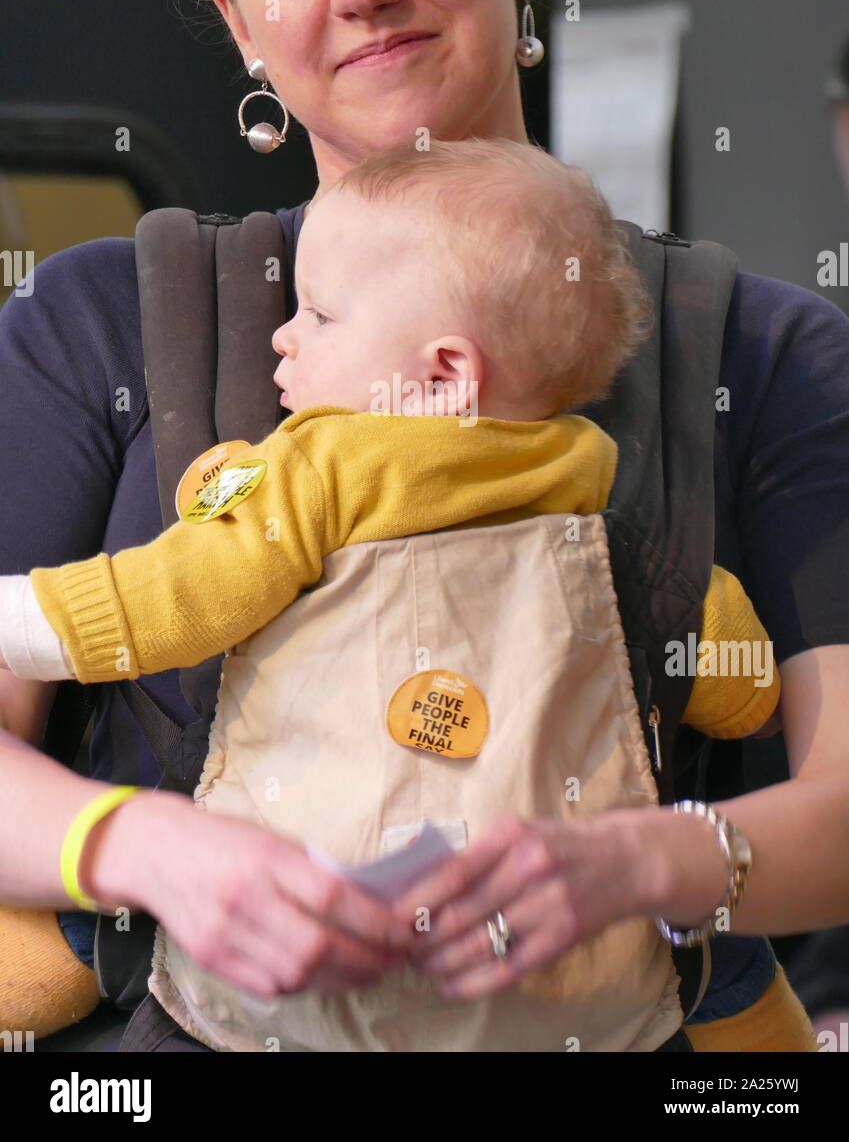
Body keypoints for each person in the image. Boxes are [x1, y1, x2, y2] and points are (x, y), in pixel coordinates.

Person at [1, 0, 848, 1054]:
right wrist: (146, 848)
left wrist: (653, 862)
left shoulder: (766, 348)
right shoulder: (103, 317)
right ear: (239, 20)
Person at [0, 139, 817, 1050]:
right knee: (714, 974)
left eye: (318, 315)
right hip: (570, 986)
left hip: (288, 955)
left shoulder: (314, 467)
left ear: (442, 374)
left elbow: (178, 593)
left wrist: (33, 624)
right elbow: (731, 670)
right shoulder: (608, 507)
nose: (284, 333)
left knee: (91, 946)